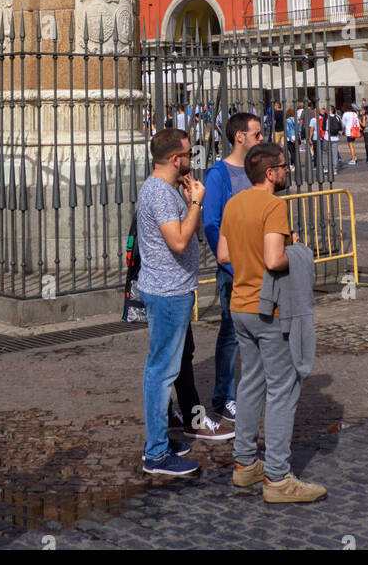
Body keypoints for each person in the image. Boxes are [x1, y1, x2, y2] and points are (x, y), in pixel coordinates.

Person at [218, 142, 327, 503]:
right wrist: (298, 250)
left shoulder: (234, 203)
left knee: (251, 383)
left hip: (240, 306)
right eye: (283, 166)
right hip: (270, 311)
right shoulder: (274, 206)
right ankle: (278, 477)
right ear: (270, 173)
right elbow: (274, 259)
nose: (287, 171)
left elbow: (222, 254)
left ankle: (245, 464)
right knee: (283, 389)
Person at [135, 129, 206, 476]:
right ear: (176, 159)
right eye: (189, 154)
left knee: (165, 368)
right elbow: (178, 241)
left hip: (170, 289)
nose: (192, 159)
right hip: (167, 292)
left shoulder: (165, 190)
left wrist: (189, 198)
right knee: (161, 372)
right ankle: (156, 453)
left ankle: (160, 439)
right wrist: (195, 202)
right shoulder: (160, 194)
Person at [202, 113, 264, 424]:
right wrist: (226, 259)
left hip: (259, 265)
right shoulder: (218, 174)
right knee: (230, 332)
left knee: (259, 331)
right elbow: (211, 223)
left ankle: (251, 390)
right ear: (240, 137)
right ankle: (223, 396)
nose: (261, 138)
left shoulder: (256, 172)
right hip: (233, 268)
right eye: (256, 133)